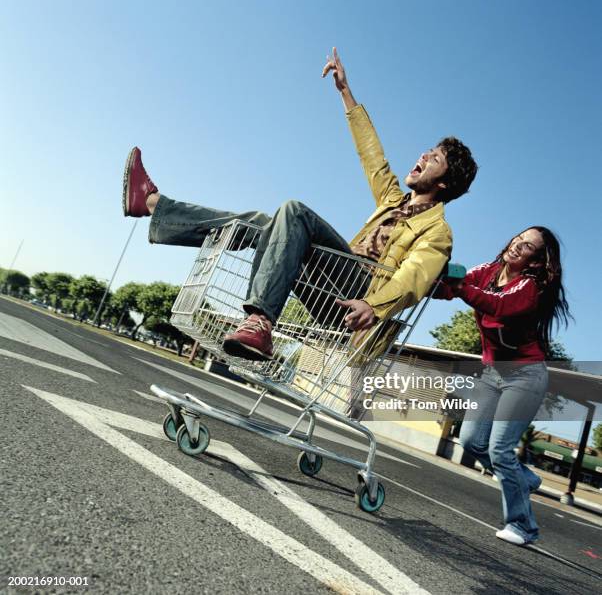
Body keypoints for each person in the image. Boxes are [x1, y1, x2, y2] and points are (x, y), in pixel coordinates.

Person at [122, 47, 477, 361]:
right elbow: (372, 156)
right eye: (427, 150)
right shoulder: (392, 200)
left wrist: (374, 305)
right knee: (266, 223)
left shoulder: (437, 231)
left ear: (444, 183)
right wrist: (345, 92)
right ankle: (152, 204)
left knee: (293, 212)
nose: (423, 155)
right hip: (326, 282)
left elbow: (414, 275)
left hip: (356, 295)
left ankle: (259, 320)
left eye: (434, 159)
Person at [435, 226, 571, 545]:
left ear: (537, 261)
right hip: (492, 373)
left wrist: (459, 288)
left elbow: (498, 306)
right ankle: (525, 478)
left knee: (499, 448)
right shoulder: (489, 270)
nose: (517, 247)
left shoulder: (530, 287)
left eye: (527, 247)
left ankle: (523, 525)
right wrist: (432, 283)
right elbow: (461, 284)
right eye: (517, 240)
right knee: (470, 440)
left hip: (525, 375)